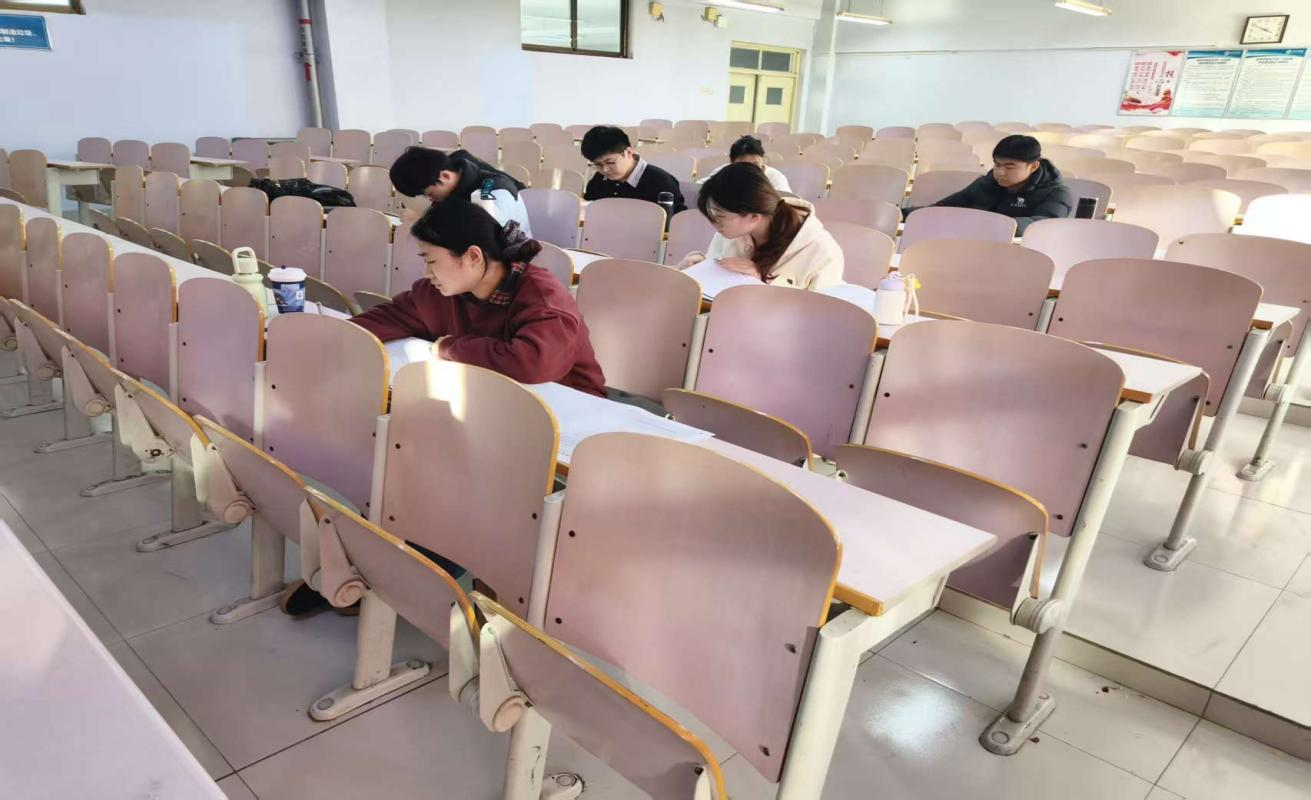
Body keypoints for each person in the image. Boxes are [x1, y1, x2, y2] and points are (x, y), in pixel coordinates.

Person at [350, 200, 606, 397]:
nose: (427, 273)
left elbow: (533, 363)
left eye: (431, 261)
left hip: (570, 409)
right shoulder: (439, 291)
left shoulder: (542, 295)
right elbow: (390, 318)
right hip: (495, 399)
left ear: (473, 257)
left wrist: (450, 347)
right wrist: (339, 334)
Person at [679, 162, 843, 290]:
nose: (714, 224)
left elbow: (824, 313)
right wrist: (696, 269)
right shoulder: (728, 234)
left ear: (754, 217)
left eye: (720, 217)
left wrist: (763, 281)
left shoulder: (822, 250)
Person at [916, 134, 1072, 233]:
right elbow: (946, 208)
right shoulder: (986, 184)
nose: (1000, 172)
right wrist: (906, 213)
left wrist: (988, 224)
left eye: (1009, 167)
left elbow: (1043, 226)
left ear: (1033, 167)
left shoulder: (1057, 194)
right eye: (997, 165)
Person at [389, 145, 533, 235]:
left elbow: (483, 233)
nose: (431, 199)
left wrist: (422, 221)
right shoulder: (450, 193)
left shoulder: (491, 188)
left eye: (430, 194)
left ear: (445, 176)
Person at [581, 126, 685, 218]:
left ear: (628, 152)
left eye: (610, 162)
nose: (605, 170)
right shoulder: (599, 179)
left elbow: (676, 224)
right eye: (597, 164)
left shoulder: (661, 182)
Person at [697, 135, 792, 193]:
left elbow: (787, 205)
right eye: (742, 166)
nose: (749, 171)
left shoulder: (774, 177)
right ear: (731, 164)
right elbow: (698, 188)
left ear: (762, 161)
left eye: (754, 165)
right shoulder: (725, 171)